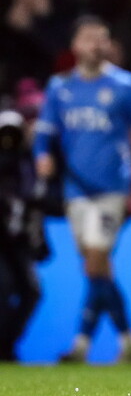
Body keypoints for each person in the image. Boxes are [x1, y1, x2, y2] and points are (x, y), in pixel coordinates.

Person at [33, 16, 131, 363]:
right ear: (75, 45)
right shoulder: (59, 88)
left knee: (95, 263)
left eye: (102, 39)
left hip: (111, 188)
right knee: (98, 268)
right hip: (75, 189)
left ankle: (81, 344)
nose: (96, 45)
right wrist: (41, 156)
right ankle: (128, 340)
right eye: (89, 39)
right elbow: (44, 133)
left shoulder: (125, 85)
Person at [0, 109, 47, 362]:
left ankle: (7, 344)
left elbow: (35, 205)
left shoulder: (27, 166)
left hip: (17, 241)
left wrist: (39, 241)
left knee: (32, 291)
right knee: (4, 287)